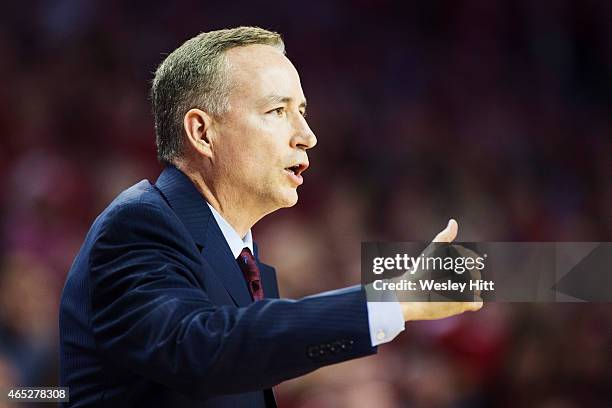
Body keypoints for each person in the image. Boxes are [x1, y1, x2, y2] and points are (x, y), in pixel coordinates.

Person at [59, 26, 482, 408]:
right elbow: (203, 348)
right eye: (277, 111)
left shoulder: (241, 257)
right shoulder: (139, 225)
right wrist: (393, 299)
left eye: (302, 111)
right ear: (202, 133)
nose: (307, 136)